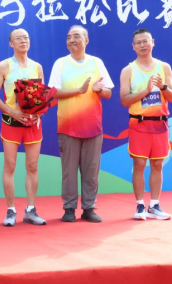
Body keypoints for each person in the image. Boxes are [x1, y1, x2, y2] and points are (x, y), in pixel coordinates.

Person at [48, 26, 113, 223]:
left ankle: (89, 208)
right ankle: (69, 208)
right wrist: (79, 90)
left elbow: (108, 93)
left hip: (93, 126)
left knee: (91, 171)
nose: (71, 40)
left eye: (76, 36)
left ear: (86, 40)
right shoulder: (61, 63)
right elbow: (53, 92)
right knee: (69, 171)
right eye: (68, 37)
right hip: (68, 126)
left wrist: (99, 90)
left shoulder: (96, 62)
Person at [0, 28, 47, 226]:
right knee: (10, 166)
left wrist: (38, 112)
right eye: (18, 38)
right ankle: (11, 210)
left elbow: (43, 96)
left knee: (32, 166)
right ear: (11, 44)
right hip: (11, 123)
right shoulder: (4, 66)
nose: (23, 41)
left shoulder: (37, 67)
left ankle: (30, 210)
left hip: (33, 124)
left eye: (26, 38)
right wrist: (12, 112)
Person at [120, 28, 172, 220]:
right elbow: (124, 100)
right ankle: (139, 206)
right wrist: (145, 90)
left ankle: (154, 205)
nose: (142, 45)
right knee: (139, 164)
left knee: (158, 164)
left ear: (153, 42)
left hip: (160, 124)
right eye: (138, 43)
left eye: (146, 41)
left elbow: (171, 96)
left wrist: (162, 86)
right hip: (139, 123)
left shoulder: (164, 67)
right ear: (133, 46)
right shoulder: (128, 70)